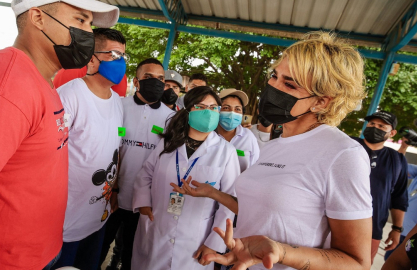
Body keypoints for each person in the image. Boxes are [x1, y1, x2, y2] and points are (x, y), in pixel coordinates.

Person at [0, 1, 119, 269]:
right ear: (38, 17)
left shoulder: (39, 79)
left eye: (90, 25)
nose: (88, 34)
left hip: (32, 256)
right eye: (80, 21)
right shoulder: (4, 87)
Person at [173, 32, 373, 270]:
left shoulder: (343, 154)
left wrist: (281, 252)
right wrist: (215, 194)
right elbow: (265, 211)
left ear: (322, 102)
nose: (272, 87)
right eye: (274, 76)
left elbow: (357, 263)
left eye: (289, 84)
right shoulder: (274, 145)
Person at [132, 86, 240, 270]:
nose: (208, 112)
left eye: (214, 108)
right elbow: (145, 173)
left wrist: (213, 244)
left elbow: (229, 201)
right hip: (156, 228)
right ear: (188, 111)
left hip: (196, 240)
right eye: (201, 106)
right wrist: (143, 203)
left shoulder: (226, 151)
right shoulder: (168, 142)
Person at [51, 28, 127, 270]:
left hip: (97, 217)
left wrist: (114, 188)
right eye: (114, 54)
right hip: (64, 221)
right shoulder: (69, 96)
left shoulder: (117, 102)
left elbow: (115, 147)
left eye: (124, 56)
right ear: (92, 58)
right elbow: (49, 154)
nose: (121, 62)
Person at [100, 58, 174, 270]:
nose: (156, 82)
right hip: (110, 196)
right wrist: (113, 188)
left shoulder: (171, 118)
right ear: (137, 81)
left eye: (160, 78)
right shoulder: (118, 106)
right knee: (99, 246)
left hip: (144, 202)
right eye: (148, 77)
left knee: (133, 253)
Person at [353, 111, 408, 262]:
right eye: (371, 124)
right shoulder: (348, 146)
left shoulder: (396, 160)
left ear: (392, 133)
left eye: (381, 126)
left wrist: (397, 229)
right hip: (331, 222)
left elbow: (399, 197)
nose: (374, 127)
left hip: (371, 230)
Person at [384, 140, 417, 260]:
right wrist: (403, 147)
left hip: (413, 237)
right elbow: (398, 167)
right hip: (402, 232)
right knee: (391, 262)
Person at [216, 88, 259, 172]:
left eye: (237, 109)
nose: (232, 113)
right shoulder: (209, 134)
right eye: (226, 108)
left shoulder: (248, 137)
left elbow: (254, 168)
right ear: (217, 109)